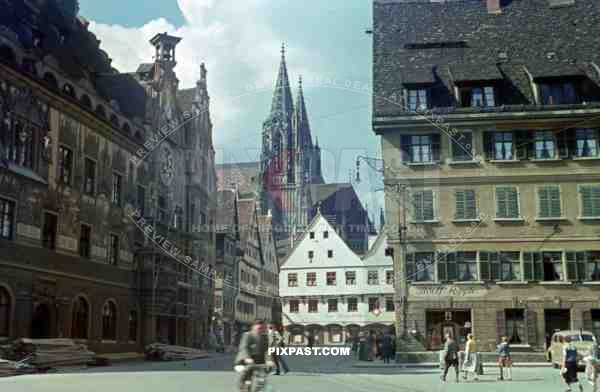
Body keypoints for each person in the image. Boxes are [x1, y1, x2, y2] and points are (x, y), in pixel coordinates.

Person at [234, 319, 274, 392]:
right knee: (246, 374)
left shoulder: (264, 337)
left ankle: (258, 388)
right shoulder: (247, 335)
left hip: (259, 361)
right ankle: (242, 386)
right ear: (253, 327)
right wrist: (247, 358)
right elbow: (244, 347)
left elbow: (267, 351)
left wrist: (269, 360)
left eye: (262, 328)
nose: (261, 330)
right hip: (244, 360)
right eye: (259, 328)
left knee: (262, 378)